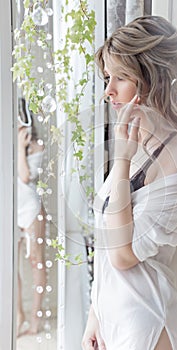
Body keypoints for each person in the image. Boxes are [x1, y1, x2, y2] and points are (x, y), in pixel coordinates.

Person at [82, 16, 177, 350]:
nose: (109, 91)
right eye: (108, 77)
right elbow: (107, 240)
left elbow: (123, 254)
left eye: (121, 77)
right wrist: (95, 315)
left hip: (148, 323)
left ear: (154, 79)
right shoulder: (137, 144)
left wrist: (121, 159)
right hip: (114, 321)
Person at [17, 98, 46, 336]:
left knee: (35, 261)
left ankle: (35, 321)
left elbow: (24, 176)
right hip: (11, 208)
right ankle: (19, 316)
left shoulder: (37, 145)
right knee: (11, 265)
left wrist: (20, 147)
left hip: (30, 209)